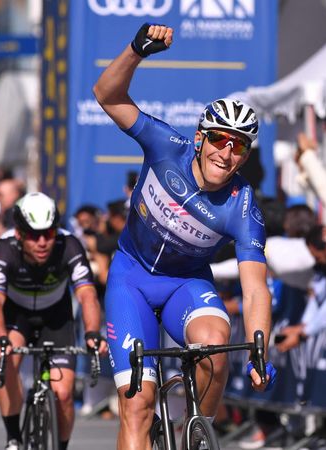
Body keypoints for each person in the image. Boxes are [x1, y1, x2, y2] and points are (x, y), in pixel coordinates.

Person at [93, 23, 275, 449]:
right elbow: (107, 95)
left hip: (185, 285)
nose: (225, 152)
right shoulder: (165, 146)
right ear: (199, 138)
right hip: (131, 278)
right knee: (137, 406)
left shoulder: (242, 206)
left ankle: (196, 433)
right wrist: (136, 51)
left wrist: (259, 351)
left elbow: (255, 290)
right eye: (219, 139)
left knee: (214, 347)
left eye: (238, 146)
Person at [0, 192, 107, 450]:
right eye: (33, 235)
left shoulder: (69, 245)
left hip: (56, 318)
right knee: (6, 362)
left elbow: (87, 295)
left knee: (63, 393)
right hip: (17, 316)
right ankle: (13, 439)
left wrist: (92, 332)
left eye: (49, 233)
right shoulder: (5, 248)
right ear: (19, 234)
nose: (42, 242)